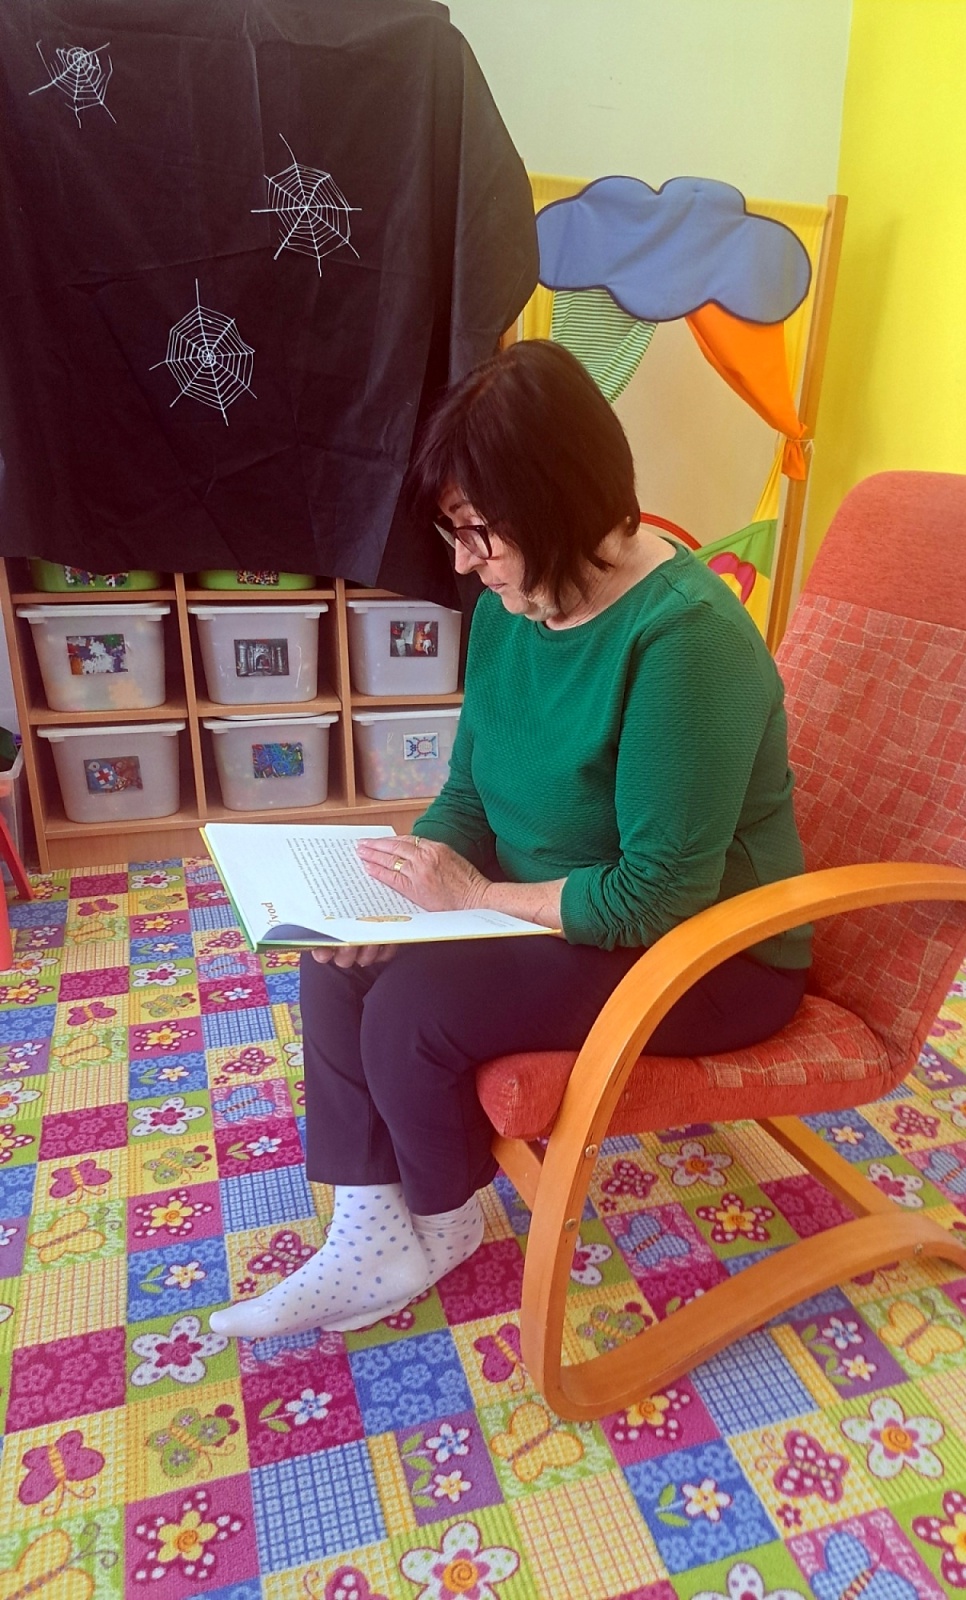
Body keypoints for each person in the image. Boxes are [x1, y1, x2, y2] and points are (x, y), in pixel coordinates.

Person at [210, 341, 811, 1341]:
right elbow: (468, 795)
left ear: (556, 503)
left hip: (711, 953)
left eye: (477, 533)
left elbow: (655, 896)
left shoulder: (687, 640)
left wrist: (476, 898)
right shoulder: (513, 608)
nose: (462, 561)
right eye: (455, 532)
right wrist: (394, 896)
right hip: (565, 905)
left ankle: (442, 1219)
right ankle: (372, 1229)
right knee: (340, 964)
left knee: (414, 1012)